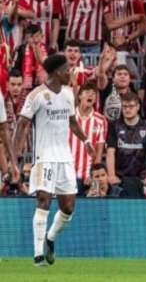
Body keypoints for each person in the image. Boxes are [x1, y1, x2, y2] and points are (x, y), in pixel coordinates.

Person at [12, 54, 94, 266]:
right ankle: (38, 254)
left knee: (68, 208)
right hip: (45, 157)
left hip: (65, 158)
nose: (71, 73)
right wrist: (15, 159)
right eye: (68, 69)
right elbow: (21, 127)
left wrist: (85, 141)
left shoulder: (68, 94)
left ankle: (50, 238)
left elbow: (72, 122)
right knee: (44, 201)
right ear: (57, 72)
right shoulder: (36, 95)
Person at [105, 92, 146, 197]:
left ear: (138, 107)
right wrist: (111, 175)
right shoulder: (115, 125)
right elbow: (110, 152)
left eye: (131, 106)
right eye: (124, 107)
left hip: (140, 180)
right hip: (119, 180)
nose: (127, 109)